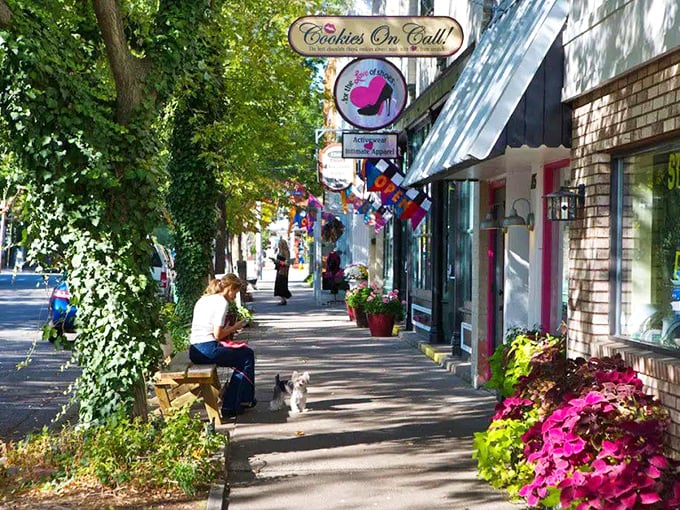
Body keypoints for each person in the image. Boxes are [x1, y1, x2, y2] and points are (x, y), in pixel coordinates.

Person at [189, 273, 256, 418]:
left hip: (195, 349)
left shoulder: (204, 299)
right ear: (230, 288)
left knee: (244, 354)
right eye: (235, 293)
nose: (234, 298)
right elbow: (218, 334)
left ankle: (243, 400)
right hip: (207, 350)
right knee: (246, 356)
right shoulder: (221, 302)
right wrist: (235, 327)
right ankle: (232, 405)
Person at [273, 238, 292, 305]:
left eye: (280, 244)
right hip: (279, 269)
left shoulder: (286, 252)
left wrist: (279, 262)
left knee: (282, 284)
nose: (279, 245)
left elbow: (287, 262)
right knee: (278, 285)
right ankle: (282, 299)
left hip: (283, 271)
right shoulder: (280, 252)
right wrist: (275, 261)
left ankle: (284, 298)